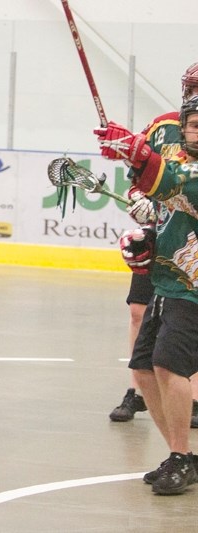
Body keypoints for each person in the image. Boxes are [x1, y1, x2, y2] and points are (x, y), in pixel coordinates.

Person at [94, 95, 198, 495]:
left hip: (193, 291)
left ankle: (182, 455)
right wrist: (149, 241)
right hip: (169, 282)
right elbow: (172, 208)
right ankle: (180, 456)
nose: (197, 133)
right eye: (193, 125)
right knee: (142, 368)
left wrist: (138, 155)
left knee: (170, 365)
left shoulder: (187, 173)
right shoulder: (180, 164)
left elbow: (174, 183)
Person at [108, 62, 198, 427]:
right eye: (192, 89)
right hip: (162, 239)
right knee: (138, 312)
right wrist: (139, 202)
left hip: (188, 251)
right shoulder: (164, 126)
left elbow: (170, 179)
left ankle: (190, 395)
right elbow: (137, 176)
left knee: (186, 323)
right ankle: (136, 390)